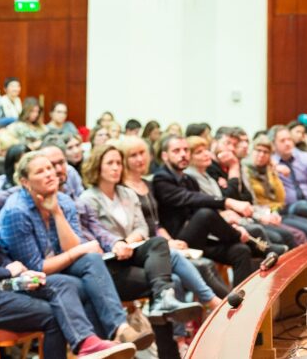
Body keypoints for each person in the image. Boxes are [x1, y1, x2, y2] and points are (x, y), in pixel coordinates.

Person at [0, 153, 136, 359]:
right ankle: (88, 344)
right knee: (53, 313)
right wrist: (6, 272)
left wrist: (22, 273)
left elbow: (0, 257)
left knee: (67, 284)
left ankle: (93, 344)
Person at [0, 151, 153, 350]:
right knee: (80, 283)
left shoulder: (64, 201)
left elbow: (72, 248)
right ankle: (98, 347)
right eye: (40, 171)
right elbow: (37, 267)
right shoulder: (17, 211)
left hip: (56, 270)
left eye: (50, 168)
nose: (49, 174)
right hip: (21, 280)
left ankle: (118, 329)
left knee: (92, 263)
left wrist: (56, 212)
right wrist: (80, 250)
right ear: (26, 182)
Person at [79, 144, 204, 322]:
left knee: (159, 243)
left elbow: (142, 228)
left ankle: (165, 307)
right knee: (172, 279)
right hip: (110, 263)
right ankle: (177, 331)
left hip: (131, 253)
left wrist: (127, 242)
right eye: (110, 163)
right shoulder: (88, 199)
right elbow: (94, 235)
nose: (116, 167)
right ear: (97, 166)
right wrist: (118, 244)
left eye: (118, 163)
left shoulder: (127, 193)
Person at [118, 135, 228, 304]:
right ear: (124, 159)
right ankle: (227, 308)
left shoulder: (148, 185)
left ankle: (228, 308)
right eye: (133, 155)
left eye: (142, 153)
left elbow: (156, 223)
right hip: (141, 248)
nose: (140, 159)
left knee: (205, 264)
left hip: (159, 242)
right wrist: (165, 243)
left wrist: (170, 241)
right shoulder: (122, 189)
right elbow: (133, 228)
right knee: (201, 266)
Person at [151, 134, 257, 285]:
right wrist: (227, 203)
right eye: (176, 151)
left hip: (197, 238)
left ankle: (241, 300)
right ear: (165, 155)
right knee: (205, 213)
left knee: (240, 251)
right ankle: (245, 239)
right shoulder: (161, 179)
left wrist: (228, 225)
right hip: (176, 241)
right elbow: (190, 199)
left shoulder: (188, 179)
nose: (183, 154)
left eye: (186, 150)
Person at [245, 133, 307, 240]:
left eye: (265, 152)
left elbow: (281, 197)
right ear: (251, 151)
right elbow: (252, 201)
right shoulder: (245, 171)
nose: (261, 155)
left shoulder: (271, 170)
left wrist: (273, 170)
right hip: (264, 214)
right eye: (258, 150)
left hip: (280, 211)